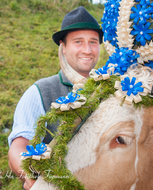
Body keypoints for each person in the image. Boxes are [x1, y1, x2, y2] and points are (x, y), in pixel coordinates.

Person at [8, 6, 103, 190]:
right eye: (78, 42)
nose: (87, 49)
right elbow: (19, 147)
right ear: (63, 47)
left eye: (93, 42)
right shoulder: (40, 91)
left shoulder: (111, 88)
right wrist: (32, 179)